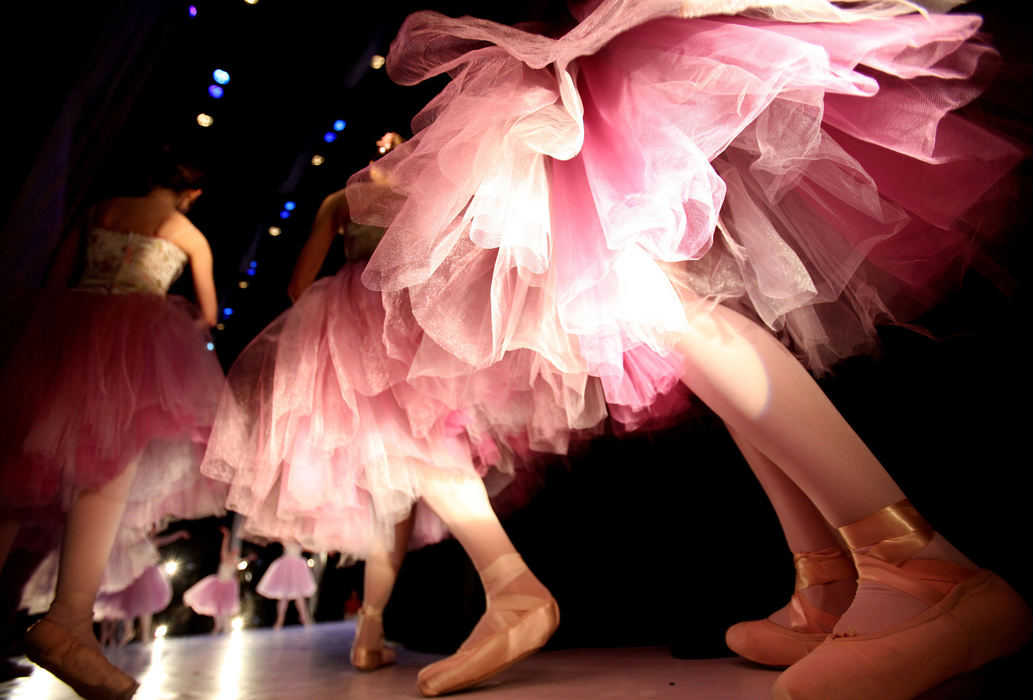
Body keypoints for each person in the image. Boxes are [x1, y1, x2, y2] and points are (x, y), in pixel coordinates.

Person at [342, 1, 1032, 697]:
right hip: (569, 53)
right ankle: (826, 576)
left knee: (657, 301)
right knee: (677, 308)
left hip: (591, 49)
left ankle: (920, 569)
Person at [202, 131, 603, 695]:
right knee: (413, 464)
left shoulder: (339, 201)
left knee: (404, 477)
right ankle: (483, 593)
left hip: (349, 324)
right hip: (415, 317)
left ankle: (438, 609)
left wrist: (332, 310)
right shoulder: (423, 182)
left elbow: (297, 285)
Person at [0, 145, 224, 699]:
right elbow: (210, 314)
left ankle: (60, 623)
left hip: (66, 330)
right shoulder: (187, 232)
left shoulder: (102, 210)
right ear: (190, 194)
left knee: (17, 470)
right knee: (105, 469)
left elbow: (58, 278)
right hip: (134, 344)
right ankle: (69, 619)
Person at [182, 525, 252, 635]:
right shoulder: (225, 557)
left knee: (226, 606)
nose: (234, 554)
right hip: (218, 583)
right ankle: (218, 626)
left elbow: (243, 563)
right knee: (217, 606)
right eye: (233, 552)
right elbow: (224, 547)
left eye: (236, 553)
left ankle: (226, 626)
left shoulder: (235, 563)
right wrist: (227, 537)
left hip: (228, 585)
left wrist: (249, 558)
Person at [255, 540, 317, 629]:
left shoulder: (299, 537)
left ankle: (304, 618)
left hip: (298, 566)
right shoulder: (286, 536)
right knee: (285, 595)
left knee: (299, 596)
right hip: (287, 566)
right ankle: (280, 620)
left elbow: (306, 547)